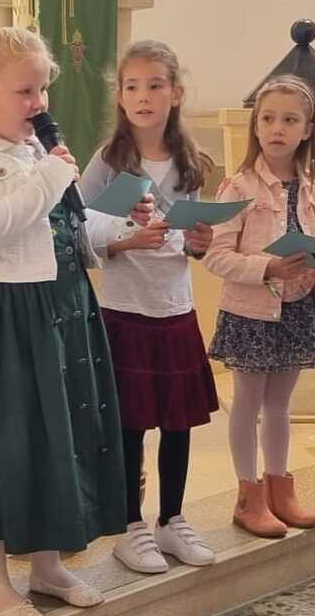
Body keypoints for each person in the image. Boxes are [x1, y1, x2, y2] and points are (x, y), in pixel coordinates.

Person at [0, 27, 126, 616]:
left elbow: (64, 224)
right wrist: (48, 180)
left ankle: (47, 565)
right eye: (25, 91)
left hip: (59, 308)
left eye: (43, 90)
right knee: (1, 440)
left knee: (52, 437)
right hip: (1, 315)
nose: (39, 103)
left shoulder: (36, 151)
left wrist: (123, 225)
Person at [80, 40, 219, 573]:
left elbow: (192, 240)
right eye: (132, 86)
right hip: (125, 308)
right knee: (131, 424)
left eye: (155, 85)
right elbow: (78, 228)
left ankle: (172, 520)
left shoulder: (189, 163)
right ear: (119, 96)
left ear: (175, 94)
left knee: (178, 422)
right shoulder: (109, 161)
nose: (143, 96)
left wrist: (201, 241)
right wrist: (124, 237)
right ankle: (129, 525)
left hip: (175, 306)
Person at [203, 75, 315, 539]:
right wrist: (268, 267)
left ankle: (280, 490)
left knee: (280, 404)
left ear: (307, 129)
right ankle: (249, 496)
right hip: (252, 311)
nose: (278, 128)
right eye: (269, 118)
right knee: (248, 402)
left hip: (297, 307)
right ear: (255, 126)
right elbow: (216, 256)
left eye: (290, 120)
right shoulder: (237, 186)